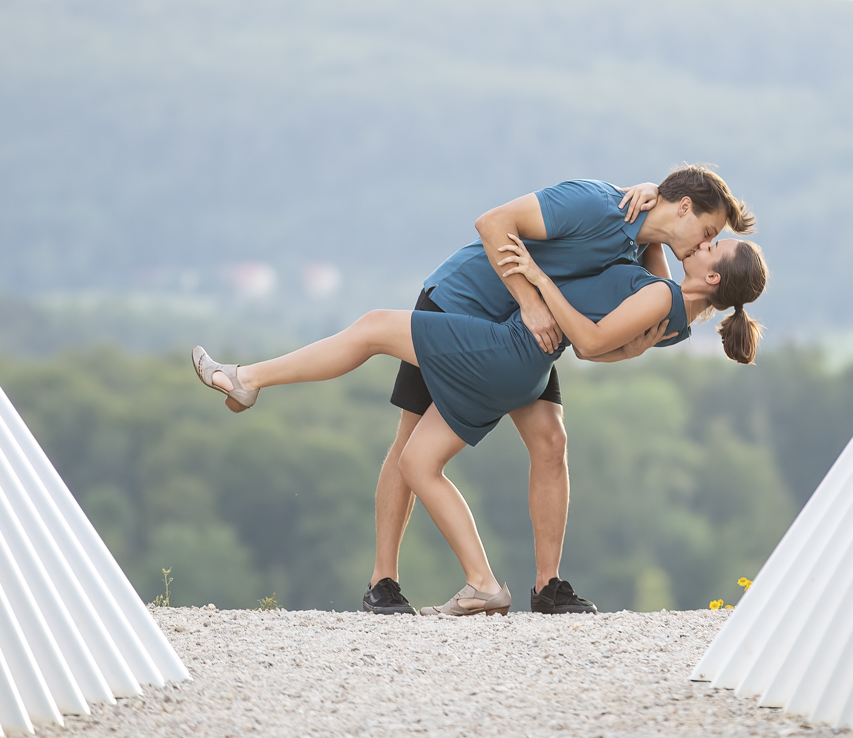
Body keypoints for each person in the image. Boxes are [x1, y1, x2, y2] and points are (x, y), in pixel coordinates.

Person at [189, 234, 768, 617]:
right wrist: (658, 234)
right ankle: (452, 582)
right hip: (519, 347)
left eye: (714, 244)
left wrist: (541, 289)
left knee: (376, 347)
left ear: (713, 279)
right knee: (427, 454)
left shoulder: (662, 298)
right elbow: (612, 339)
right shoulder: (676, 314)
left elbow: (595, 339)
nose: (705, 241)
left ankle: (250, 378)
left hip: (504, 338)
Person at [367, 167, 755, 617]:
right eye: (708, 231)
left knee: (552, 442)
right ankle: (383, 582)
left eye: (715, 241)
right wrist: (532, 303)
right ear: (685, 207)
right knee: (409, 441)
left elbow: (647, 309)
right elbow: (492, 223)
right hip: (463, 301)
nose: (706, 243)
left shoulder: (639, 243)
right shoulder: (598, 204)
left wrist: (618, 345)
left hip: (523, 335)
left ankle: (547, 587)